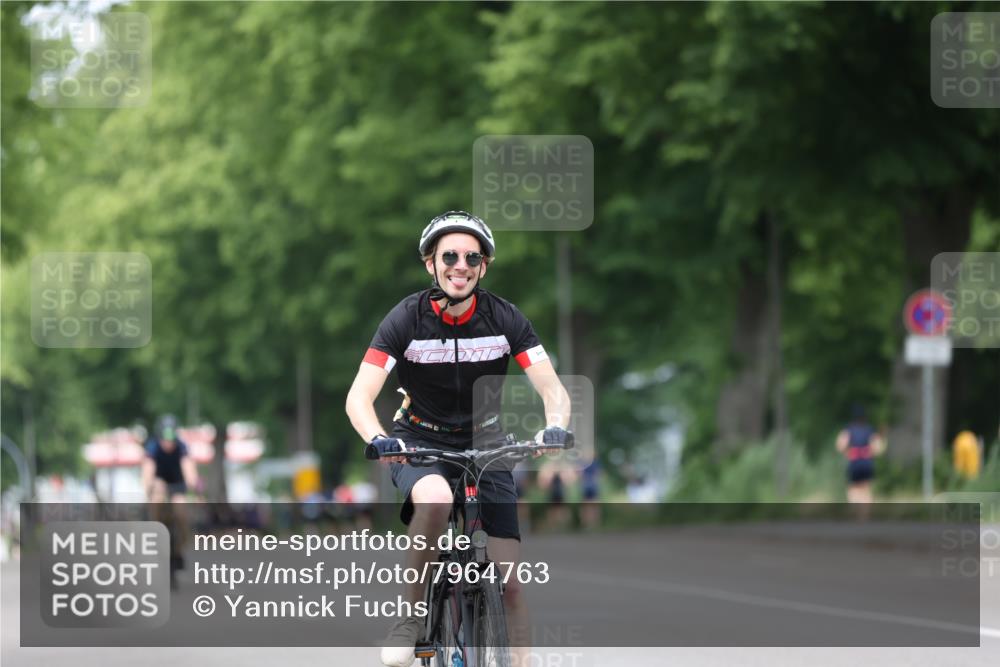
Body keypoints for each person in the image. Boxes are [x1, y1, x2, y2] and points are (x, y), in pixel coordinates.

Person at [345, 211, 572, 667]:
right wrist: (380, 437)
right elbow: (358, 397)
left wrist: (554, 425)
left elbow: (553, 389)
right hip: (419, 441)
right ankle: (409, 618)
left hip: (488, 444)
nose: (460, 265)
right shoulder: (405, 319)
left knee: (509, 581)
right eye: (449, 255)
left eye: (472, 257)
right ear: (432, 263)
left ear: (483, 266)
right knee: (433, 497)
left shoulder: (505, 318)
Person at [835, 405, 884, 504]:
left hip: (855, 462)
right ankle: (865, 516)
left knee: (853, 489)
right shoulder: (870, 430)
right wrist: (870, 452)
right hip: (867, 462)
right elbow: (878, 448)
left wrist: (847, 452)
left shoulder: (849, 429)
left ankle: (856, 514)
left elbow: (840, 445)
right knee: (866, 489)